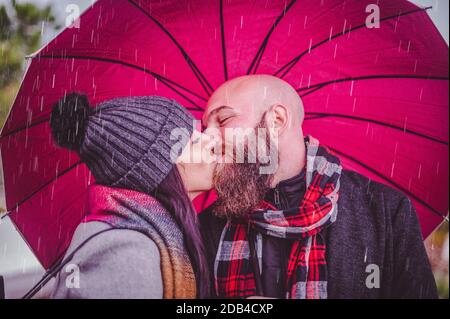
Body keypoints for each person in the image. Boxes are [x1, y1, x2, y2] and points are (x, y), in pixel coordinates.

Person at [200, 74, 438, 299]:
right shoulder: (207, 226)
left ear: (277, 120)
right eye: (204, 128)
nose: (207, 138)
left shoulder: (384, 210)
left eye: (223, 119)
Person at [50, 93, 216, 299]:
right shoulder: (125, 252)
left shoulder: (144, 236)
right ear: (154, 170)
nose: (209, 140)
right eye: (191, 141)